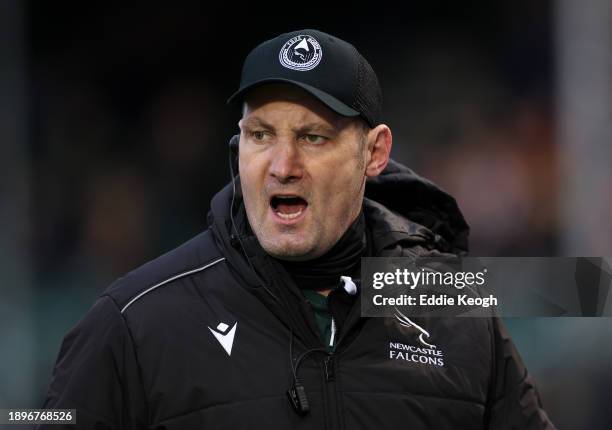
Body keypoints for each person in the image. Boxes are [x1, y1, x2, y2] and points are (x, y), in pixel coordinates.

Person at [40, 29, 554, 429]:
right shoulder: (133, 319)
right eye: (261, 135)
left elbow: (577, 292)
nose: (283, 164)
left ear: (373, 152)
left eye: (313, 137)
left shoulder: (453, 302)